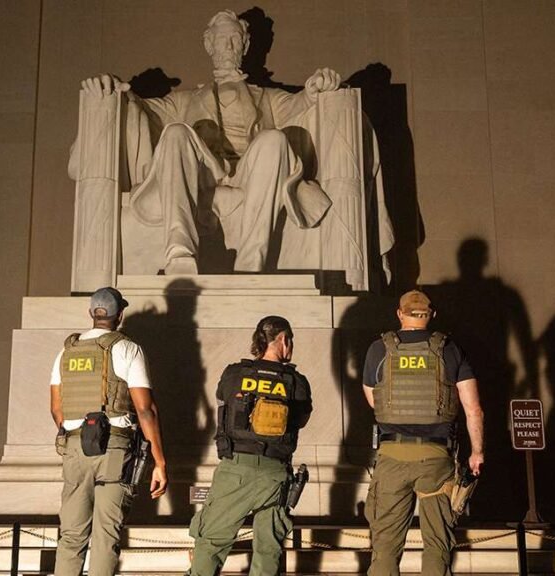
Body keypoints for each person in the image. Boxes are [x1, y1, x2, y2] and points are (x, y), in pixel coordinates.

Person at [79, 10, 342, 274]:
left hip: (250, 176)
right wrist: (113, 88)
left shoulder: (267, 97)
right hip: (202, 174)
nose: (228, 46)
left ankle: (251, 264)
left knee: (274, 138)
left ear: (246, 45)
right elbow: (140, 106)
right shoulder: (184, 101)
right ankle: (180, 251)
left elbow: (300, 104)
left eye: (235, 39)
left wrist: (314, 89)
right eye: (221, 39)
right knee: (175, 133)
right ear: (208, 45)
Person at [361, 290, 483, 576]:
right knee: (438, 544)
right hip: (436, 458)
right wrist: (477, 452)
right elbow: (473, 409)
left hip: (392, 457)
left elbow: (373, 401)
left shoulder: (380, 349)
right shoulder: (449, 348)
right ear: (432, 315)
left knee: (385, 546)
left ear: (399, 314)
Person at [49, 287, 168, 576]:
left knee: (71, 535)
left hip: (75, 447)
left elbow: (57, 410)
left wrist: (80, 436)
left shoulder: (67, 351)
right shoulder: (128, 348)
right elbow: (145, 410)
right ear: (120, 315)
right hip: (114, 446)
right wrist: (159, 461)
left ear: (92, 313)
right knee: (106, 535)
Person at [188, 315, 313, 576]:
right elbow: (300, 420)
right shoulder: (296, 382)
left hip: (235, 469)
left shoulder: (234, 374)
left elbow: (223, 400)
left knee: (212, 540)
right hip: (274, 473)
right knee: (268, 548)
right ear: (283, 340)